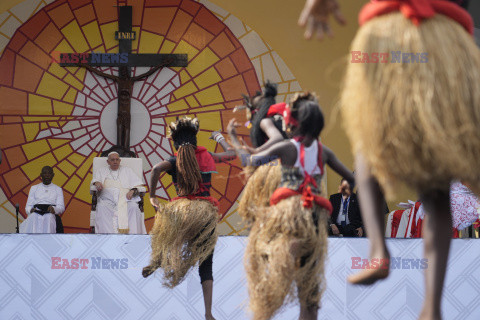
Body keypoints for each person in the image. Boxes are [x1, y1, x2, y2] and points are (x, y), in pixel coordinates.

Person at [340, 1, 479, 319]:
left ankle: (384, 258)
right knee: (375, 150)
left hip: (428, 37)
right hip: (424, 39)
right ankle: (426, 299)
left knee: (374, 149)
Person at [228, 92, 354, 320]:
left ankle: (274, 265)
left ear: (291, 123)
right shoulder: (325, 152)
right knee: (310, 297)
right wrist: (346, 185)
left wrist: (235, 140)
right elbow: (352, 179)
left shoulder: (286, 148)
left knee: (278, 280)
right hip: (314, 223)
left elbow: (250, 161)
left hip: (290, 219)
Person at [142, 117, 235, 320]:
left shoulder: (175, 160)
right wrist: (219, 137)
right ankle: (208, 312)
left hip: (181, 211)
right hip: (204, 213)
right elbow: (232, 154)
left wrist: (151, 196)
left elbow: (156, 168)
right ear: (195, 139)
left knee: (164, 232)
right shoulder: (207, 155)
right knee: (206, 262)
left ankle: (157, 259)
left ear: (175, 142)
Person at [235, 82, 292, 226]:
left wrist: (257, 150)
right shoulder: (280, 119)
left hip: (275, 172)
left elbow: (277, 138)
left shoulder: (265, 121)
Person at [91, 152, 146, 234]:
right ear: (108, 162)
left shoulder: (127, 170)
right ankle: (107, 238)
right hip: (107, 201)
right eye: (112, 160)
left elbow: (138, 184)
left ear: (120, 161)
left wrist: (133, 190)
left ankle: (133, 236)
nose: (115, 162)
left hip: (125, 200)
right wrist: (97, 183)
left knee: (134, 207)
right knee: (102, 208)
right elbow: (95, 181)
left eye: (117, 160)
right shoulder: (101, 171)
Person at [20, 166, 65, 233]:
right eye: (45, 173)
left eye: (49, 173)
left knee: (49, 217)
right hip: (36, 212)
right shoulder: (34, 188)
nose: (47, 175)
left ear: (53, 175)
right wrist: (30, 210)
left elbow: (61, 207)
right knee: (33, 217)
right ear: (41, 175)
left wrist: (54, 209)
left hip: (50, 212)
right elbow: (28, 207)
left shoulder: (58, 189)